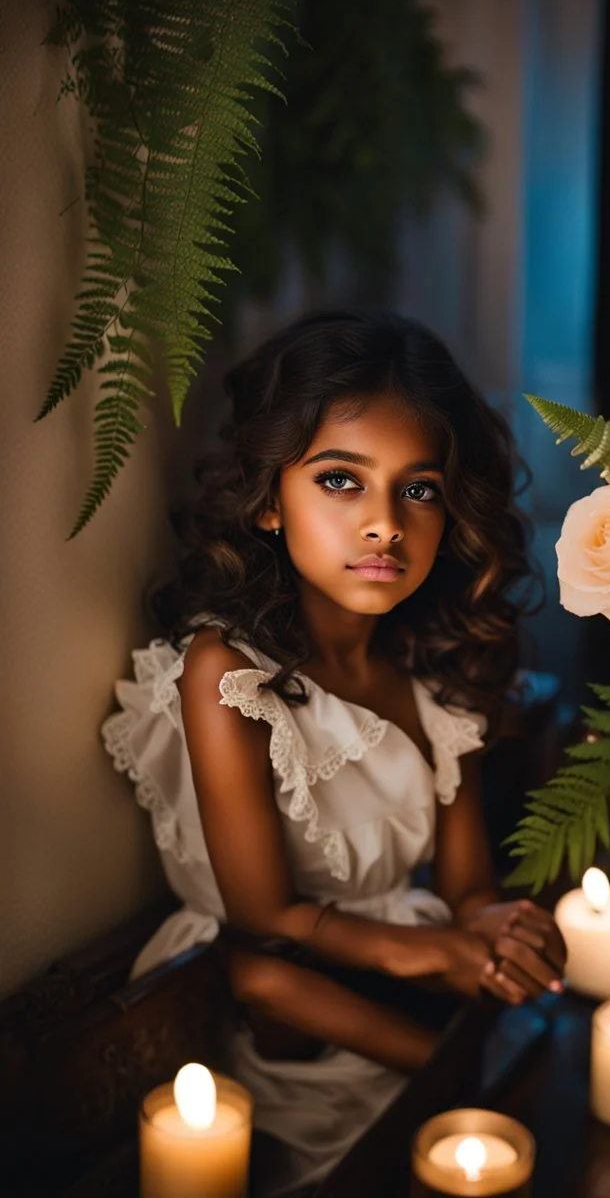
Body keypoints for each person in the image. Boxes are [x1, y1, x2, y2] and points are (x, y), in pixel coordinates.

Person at [103, 309, 566, 1194]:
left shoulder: (438, 671)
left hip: (415, 986)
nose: (386, 525)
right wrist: (439, 966)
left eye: (418, 489)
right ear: (271, 499)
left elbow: (466, 887)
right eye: (342, 482)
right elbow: (264, 926)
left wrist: (501, 932)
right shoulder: (228, 672)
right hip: (292, 1012)